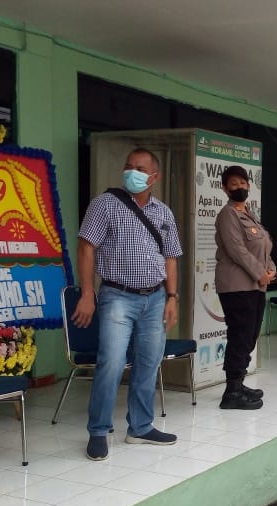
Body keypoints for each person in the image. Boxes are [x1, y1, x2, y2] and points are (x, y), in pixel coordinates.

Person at [75, 148, 182, 461]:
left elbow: (171, 257)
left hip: (156, 297)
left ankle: (140, 426)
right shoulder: (104, 205)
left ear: (154, 177)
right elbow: (85, 249)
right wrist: (86, 294)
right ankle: (98, 431)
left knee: (149, 362)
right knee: (111, 362)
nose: (132, 172)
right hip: (117, 296)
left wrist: (173, 298)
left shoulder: (164, 213)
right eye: (128, 166)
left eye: (139, 168)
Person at [215, 165, 276, 410]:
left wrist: (271, 269)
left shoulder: (249, 214)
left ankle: (238, 384)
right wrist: (260, 273)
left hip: (254, 285)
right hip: (237, 285)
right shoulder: (228, 214)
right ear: (225, 188)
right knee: (240, 335)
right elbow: (236, 250)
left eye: (242, 182)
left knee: (249, 335)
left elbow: (264, 247)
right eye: (233, 184)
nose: (239, 187)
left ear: (249, 185)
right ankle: (231, 391)